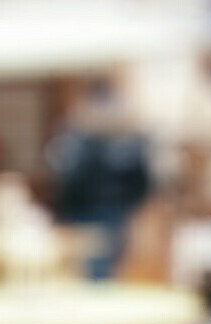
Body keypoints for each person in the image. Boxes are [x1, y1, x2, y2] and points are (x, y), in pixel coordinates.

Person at [48, 84, 152, 279]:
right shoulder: (129, 136)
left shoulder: (81, 135)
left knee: (92, 269)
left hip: (86, 212)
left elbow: (70, 179)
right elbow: (143, 182)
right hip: (117, 212)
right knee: (106, 267)